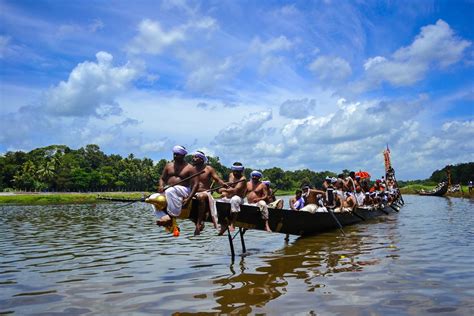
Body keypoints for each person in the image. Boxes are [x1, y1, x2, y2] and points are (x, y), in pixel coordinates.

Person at [155, 145, 200, 226]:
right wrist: (161, 186)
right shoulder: (168, 165)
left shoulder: (190, 168)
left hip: (184, 190)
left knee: (170, 190)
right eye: (174, 154)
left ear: (183, 155)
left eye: (177, 154)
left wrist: (189, 199)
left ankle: (172, 216)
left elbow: (196, 184)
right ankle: (164, 217)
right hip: (169, 189)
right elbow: (162, 179)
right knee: (153, 197)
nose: (175, 156)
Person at [191, 150, 228, 236]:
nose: (194, 158)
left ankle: (199, 223)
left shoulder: (208, 169)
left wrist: (223, 184)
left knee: (200, 196)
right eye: (193, 157)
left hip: (205, 193)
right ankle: (197, 222)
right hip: (193, 193)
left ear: (201, 159)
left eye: (196, 157)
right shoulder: (191, 169)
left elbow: (217, 179)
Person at [218, 162, 247, 234]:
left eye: (237, 171)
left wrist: (224, 190)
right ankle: (223, 224)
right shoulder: (231, 175)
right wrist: (223, 191)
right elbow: (230, 186)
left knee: (234, 199)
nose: (235, 173)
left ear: (241, 171)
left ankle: (233, 223)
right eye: (234, 171)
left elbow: (235, 191)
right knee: (220, 202)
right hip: (229, 197)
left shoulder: (243, 179)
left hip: (239, 198)